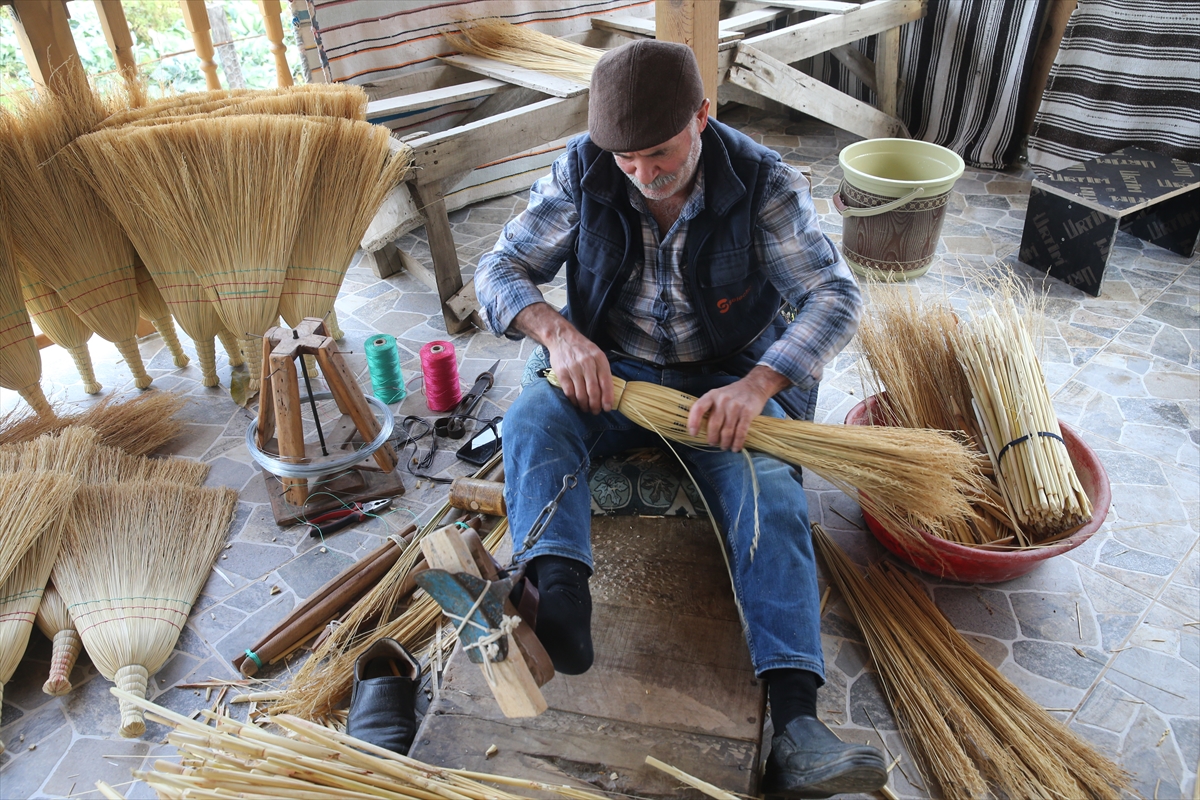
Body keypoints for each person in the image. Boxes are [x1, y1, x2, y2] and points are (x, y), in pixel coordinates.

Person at [474, 39, 885, 799]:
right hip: (611, 371)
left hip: (722, 381)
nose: (642, 174)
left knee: (769, 491)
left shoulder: (761, 182)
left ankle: (798, 727)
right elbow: (499, 269)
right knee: (532, 420)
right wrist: (559, 335)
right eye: (625, 159)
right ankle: (560, 599)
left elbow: (835, 296)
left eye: (658, 153)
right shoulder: (584, 168)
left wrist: (760, 384)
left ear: (702, 114)